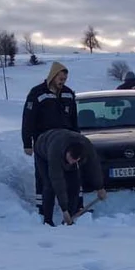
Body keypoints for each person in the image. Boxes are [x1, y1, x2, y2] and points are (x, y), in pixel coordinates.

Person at [22, 61, 79, 212]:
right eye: (60, 78)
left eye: (65, 79)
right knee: (45, 177)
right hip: (44, 143)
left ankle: (73, 206)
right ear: (53, 76)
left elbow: (74, 119)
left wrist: (77, 140)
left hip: (65, 142)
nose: (62, 82)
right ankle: (43, 209)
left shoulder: (68, 93)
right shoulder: (37, 93)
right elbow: (28, 119)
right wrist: (27, 143)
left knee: (70, 174)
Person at [33, 128, 106, 225]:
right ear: (67, 152)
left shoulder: (87, 147)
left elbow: (94, 167)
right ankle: (48, 220)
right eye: (71, 158)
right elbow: (57, 179)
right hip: (43, 150)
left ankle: (70, 218)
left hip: (63, 143)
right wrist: (64, 209)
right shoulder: (56, 150)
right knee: (49, 184)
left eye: (75, 160)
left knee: (74, 184)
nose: (71, 162)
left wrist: (100, 187)